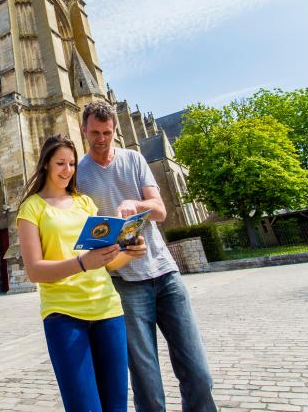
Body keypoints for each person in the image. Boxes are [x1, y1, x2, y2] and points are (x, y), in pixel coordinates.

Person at [77, 101, 217, 412]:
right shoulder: (79, 176)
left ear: (116, 131)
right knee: (146, 382)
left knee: (198, 373)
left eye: (108, 132)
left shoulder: (134, 158)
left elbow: (161, 210)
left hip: (165, 275)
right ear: (83, 129)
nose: (102, 139)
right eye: (95, 132)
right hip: (124, 283)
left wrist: (135, 204)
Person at [17, 134, 147, 412]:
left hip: (108, 310)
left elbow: (106, 263)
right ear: (46, 165)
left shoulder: (85, 203)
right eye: (60, 163)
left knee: (116, 407)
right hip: (63, 315)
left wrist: (128, 252)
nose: (67, 170)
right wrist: (82, 263)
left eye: (72, 164)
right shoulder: (31, 208)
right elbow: (34, 271)